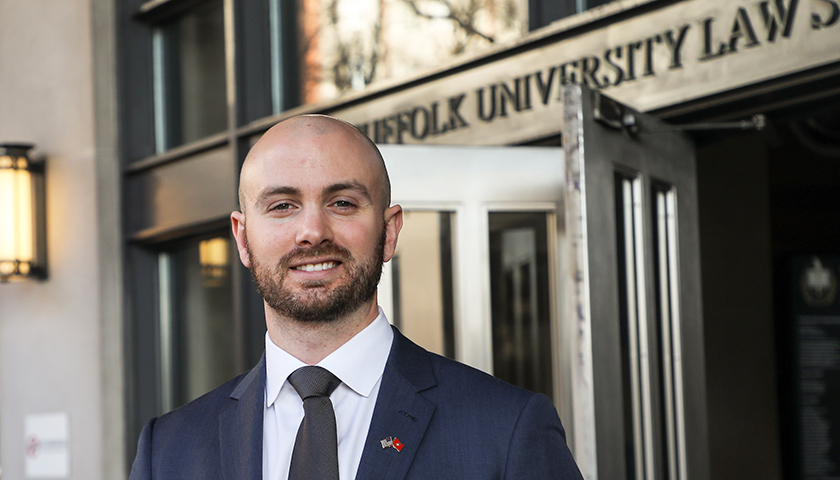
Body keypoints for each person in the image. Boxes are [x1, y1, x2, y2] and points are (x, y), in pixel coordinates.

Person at [128, 114, 583, 480]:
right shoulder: (168, 451)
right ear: (243, 239)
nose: (312, 232)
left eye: (342, 202)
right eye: (282, 205)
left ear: (389, 232)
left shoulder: (506, 430)